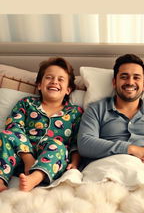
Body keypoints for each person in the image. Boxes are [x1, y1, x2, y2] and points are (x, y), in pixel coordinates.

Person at [0, 57, 83, 192]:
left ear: (68, 89)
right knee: (5, 135)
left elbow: (77, 142)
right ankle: (1, 180)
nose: (54, 81)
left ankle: (34, 178)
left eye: (60, 79)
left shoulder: (75, 112)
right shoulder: (26, 103)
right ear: (39, 84)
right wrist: (28, 159)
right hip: (18, 158)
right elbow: (14, 126)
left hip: (52, 162)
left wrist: (75, 162)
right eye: (49, 77)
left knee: (58, 146)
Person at [78, 54, 144, 171]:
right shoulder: (96, 109)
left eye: (136, 77)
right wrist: (131, 149)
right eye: (124, 77)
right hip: (105, 170)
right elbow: (85, 144)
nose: (130, 82)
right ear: (114, 82)